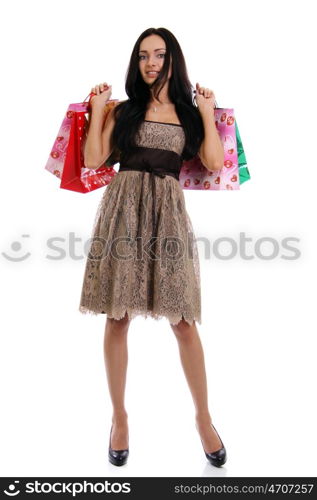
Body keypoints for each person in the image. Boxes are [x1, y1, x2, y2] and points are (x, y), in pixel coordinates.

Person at [79, 27, 226, 467]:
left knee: (182, 320)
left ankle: (203, 420)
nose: (150, 63)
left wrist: (206, 111)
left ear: (173, 60)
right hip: (123, 209)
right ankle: (119, 418)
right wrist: (95, 111)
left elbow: (215, 162)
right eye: (143, 55)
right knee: (118, 316)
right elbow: (92, 159)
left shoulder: (188, 110)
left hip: (167, 214)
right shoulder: (123, 110)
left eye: (160, 55)